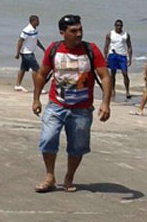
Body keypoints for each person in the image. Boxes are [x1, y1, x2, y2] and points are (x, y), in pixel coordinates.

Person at [32, 14, 112, 193]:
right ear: (62, 32)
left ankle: (69, 176)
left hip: (82, 109)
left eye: (80, 30)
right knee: (47, 138)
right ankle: (49, 176)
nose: (78, 34)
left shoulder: (91, 50)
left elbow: (105, 76)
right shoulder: (54, 49)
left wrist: (106, 103)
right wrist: (36, 99)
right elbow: (41, 74)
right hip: (56, 105)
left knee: (77, 147)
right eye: (73, 31)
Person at [104, 19, 133, 100]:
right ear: (115, 26)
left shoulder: (126, 35)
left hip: (122, 55)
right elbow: (106, 46)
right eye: (117, 25)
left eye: (120, 25)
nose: (118, 27)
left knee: (125, 73)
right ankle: (113, 90)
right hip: (113, 54)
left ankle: (127, 91)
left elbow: (129, 46)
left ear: (122, 26)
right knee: (113, 73)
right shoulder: (110, 34)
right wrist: (105, 57)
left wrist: (130, 58)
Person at [15, 15, 44, 92]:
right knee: (36, 70)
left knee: (23, 69)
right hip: (26, 53)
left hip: (30, 52)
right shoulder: (27, 30)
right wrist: (17, 53)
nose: (39, 22)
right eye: (37, 21)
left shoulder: (35, 30)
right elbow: (20, 41)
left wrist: (43, 49)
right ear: (33, 21)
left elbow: (36, 41)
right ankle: (37, 88)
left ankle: (17, 85)